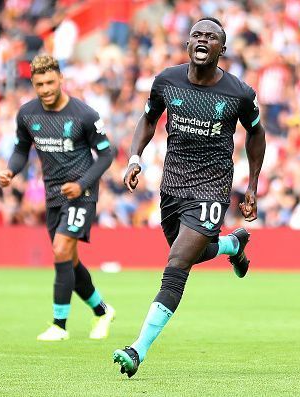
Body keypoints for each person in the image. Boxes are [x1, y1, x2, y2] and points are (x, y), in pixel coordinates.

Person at [112, 17, 266, 377]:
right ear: (187, 43)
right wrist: (135, 157)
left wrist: (253, 185)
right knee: (189, 254)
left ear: (221, 49)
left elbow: (257, 135)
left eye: (211, 37)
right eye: (197, 34)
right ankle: (232, 246)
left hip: (212, 187)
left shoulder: (239, 93)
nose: (203, 39)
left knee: (177, 264)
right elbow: (149, 119)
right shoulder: (167, 81)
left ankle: (138, 350)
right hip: (173, 186)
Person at [0, 54, 116, 341]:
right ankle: (102, 311)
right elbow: (21, 150)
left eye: (51, 82)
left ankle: (59, 326)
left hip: (81, 193)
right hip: (53, 195)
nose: (46, 89)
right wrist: (10, 171)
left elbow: (106, 154)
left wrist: (82, 183)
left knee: (61, 249)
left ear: (61, 79)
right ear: (33, 84)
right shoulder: (27, 114)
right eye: (40, 84)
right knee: (69, 261)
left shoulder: (84, 115)